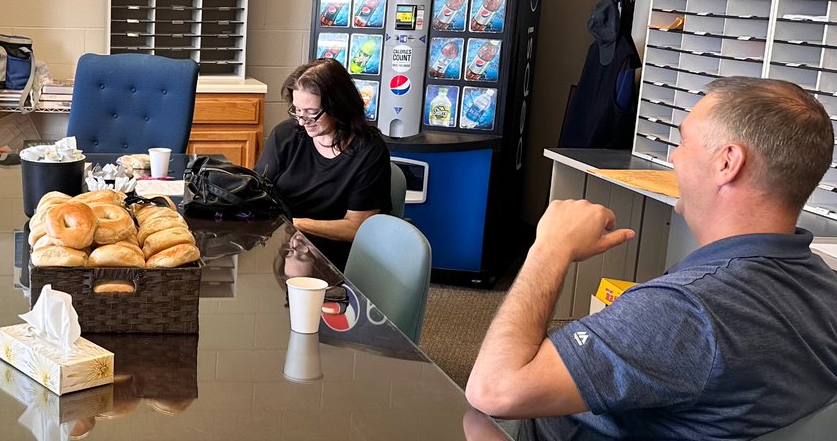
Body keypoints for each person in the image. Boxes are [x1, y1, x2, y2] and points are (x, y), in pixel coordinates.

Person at [466, 77, 837, 439]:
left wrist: (549, 247)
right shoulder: (824, 286)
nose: (673, 158)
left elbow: (493, 390)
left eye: (683, 141)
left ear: (727, 163)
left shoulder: (686, 311)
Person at [255, 58, 391, 269]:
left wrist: (293, 224)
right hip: (283, 248)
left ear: (338, 106)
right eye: (297, 111)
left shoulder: (369, 151)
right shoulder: (286, 135)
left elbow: (356, 228)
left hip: (334, 257)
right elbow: (258, 194)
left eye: (311, 113)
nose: (302, 121)